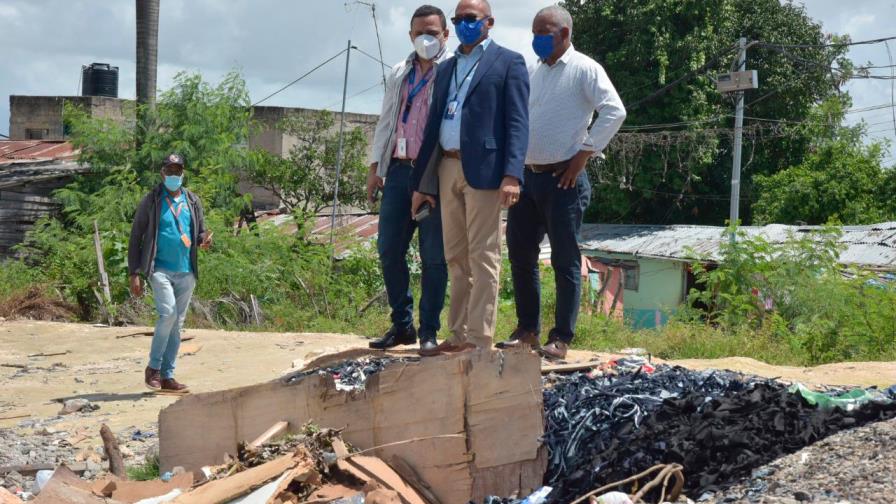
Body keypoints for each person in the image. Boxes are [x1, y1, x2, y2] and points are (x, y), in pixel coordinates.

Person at [499, 5, 626, 359]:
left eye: (543, 33)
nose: (536, 39)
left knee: (565, 259)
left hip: (564, 180)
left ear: (565, 34)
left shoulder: (585, 68)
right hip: (527, 178)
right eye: (534, 33)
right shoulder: (533, 71)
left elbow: (615, 110)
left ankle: (560, 338)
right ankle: (527, 331)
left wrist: (583, 155)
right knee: (521, 255)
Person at [411, 0, 529, 355]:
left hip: (486, 171)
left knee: (484, 256)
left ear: (489, 22)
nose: (464, 24)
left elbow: (518, 123)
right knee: (455, 256)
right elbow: (433, 125)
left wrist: (512, 174)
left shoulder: (509, 62)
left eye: (471, 18)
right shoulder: (447, 67)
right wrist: (422, 183)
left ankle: (480, 338)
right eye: (458, 19)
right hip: (447, 166)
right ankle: (458, 334)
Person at [366, 5, 451, 355]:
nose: (425, 38)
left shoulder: (453, 70)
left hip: (435, 172)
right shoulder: (400, 70)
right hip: (399, 170)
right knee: (388, 249)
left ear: (445, 34)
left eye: (432, 32)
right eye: (419, 33)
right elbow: (387, 120)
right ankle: (402, 325)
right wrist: (375, 167)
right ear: (410, 35)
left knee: (434, 257)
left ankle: (429, 329)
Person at [128, 153, 213, 393]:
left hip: (186, 271)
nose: (174, 175)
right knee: (168, 315)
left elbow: (199, 232)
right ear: (162, 173)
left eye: (178, 171)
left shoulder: (192, 201)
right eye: (170, 170)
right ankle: (153, 369)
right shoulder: (152, 200)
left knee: (177, 325)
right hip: (159, 269)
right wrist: (134, 273)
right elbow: (136, 236)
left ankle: (167, 376)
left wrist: (204, 240)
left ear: (183, 173)